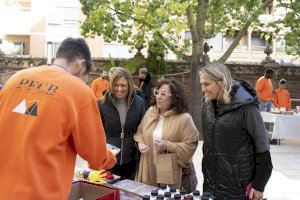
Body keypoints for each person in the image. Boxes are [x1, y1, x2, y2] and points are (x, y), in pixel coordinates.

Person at [0, 38, 116, 199]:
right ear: (80, 64)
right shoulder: (79, 90)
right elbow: (95, 153)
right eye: (82, 76)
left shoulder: (15, 79)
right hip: (41, 193)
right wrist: (110, 158)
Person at [200, 62, 273, 200]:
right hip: (211, 185)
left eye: (207, 84)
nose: (203, 89)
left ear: (221, 82)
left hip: (238, 188)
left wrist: (259, 185)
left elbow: (262, 148)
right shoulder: (207, 104)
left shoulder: (247, 107)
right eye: (202, 84)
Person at [134, 79, 199, 192]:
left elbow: (190, 145)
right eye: (157, 92)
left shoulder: (184, 118)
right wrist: (140, 144)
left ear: (174, 98)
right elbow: (140, 133)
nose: (158, 97)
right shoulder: (151, 112)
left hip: (170, 173)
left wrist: (168, 146)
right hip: (148, 169)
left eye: (163, 94)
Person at [98, 68, 146, 180]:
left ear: (129, 85)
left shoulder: (139, 103)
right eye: (116, 85)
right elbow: (96, 131)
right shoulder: (102, 103)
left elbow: (143, 128)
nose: (119, 89)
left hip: (132, 158)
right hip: (108, 157)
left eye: (123, 85)